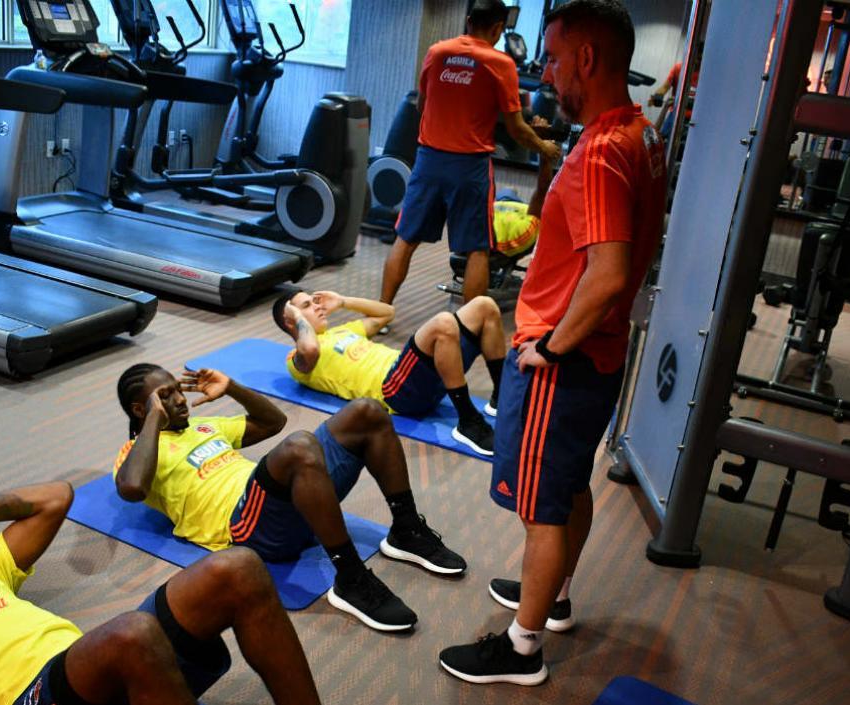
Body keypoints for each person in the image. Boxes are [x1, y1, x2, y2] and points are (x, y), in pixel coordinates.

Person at [439, 0, 667, 685]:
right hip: (602, 351)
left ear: (588, 60)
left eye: (554, 58)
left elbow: (609, 273)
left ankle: (521, 646)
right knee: (568, 485)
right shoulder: (638, 132)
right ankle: (555, 596)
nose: (545, 72)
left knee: (540, 507)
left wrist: (551, 348)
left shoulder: (601, 151)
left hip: (566, 359)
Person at [0, 482, 323, 705]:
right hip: (36, 697)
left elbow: (54, 497)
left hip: (102, 673)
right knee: (131, 634)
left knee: (236, 567)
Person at [114, 363, 466, 633]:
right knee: (299, 447)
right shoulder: (138, 451)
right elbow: (132, 488)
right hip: (245, 529)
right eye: (165, 396)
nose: (179, 399)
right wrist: (153, 423)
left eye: (178, 390)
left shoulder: (205, 427)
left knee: (367, 411)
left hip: (281, 504)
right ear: (141, 409)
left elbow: (272, 422)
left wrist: (232, 387)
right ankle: (351, 578)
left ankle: (406, 529)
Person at [379, 0, 562, 306]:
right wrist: (544, 146)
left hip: (429, 160)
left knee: (406, 238)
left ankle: (381, 312)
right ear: (498, 28)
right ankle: (468, 325)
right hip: (469, 166)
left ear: (467, 21)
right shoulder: (501, 64)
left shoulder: (437, 52)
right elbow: (516, 129)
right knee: (477, 248)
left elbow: (423, 105)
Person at [272, 289, 505, 455]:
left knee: (484, 306)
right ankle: (468, 421)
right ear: (291, 320)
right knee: (443, 322)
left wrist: (343, 301)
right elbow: (309, 347)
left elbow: (386, 313)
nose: (317, 306)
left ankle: (500, 398)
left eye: (314, 302)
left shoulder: (342, 331)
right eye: (307, 306)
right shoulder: (297, 360)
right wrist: (298, 316)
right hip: (395, 391)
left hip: (418, 375)